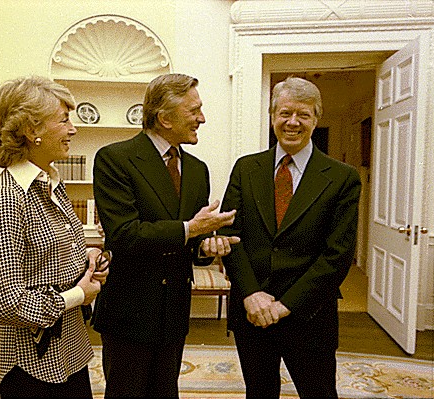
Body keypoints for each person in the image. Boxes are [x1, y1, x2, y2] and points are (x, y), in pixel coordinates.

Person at [91, 73, 240, 397]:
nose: (202, 118)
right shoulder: (115, 159)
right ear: (164, 118)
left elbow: (191, 245)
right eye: (194, 110)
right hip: (130, 313)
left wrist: (207, 246)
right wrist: (191, 230)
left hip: (173, 313)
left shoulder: (197, 169)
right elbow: (124, 235)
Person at [219, 76, 362, 398]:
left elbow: (337, 254)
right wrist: (252, 294)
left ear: (316, 118)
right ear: (272, 116)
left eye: (303, 114)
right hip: (251, 311)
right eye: (284, 113)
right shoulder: (246, 168)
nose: (292, 122)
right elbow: (230, 234)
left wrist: (284, 306)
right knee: (258, 391)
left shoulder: (342, 178)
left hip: (309, 313)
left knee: (319, 392)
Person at [0, 75, 108, 398]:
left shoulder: (49, 183)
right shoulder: (8, 197)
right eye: (64, 120)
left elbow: (45, 260)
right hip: (30, 362)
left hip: (70, 350)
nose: (73, 129)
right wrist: (78, 295)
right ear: (31, 130)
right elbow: (3, 303)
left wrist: (86, 260)